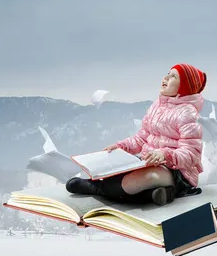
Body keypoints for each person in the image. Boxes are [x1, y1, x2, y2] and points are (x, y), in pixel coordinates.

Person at [66, 63, 207, 205]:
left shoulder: (187, 113)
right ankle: (155, 195)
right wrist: (121, 147)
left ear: (184, 88)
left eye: (173, 77)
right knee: (122, 171)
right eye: (168, 73)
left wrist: (165, 155)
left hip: (177, 172)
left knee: (144, 178)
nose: (166, 77)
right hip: (148, 161)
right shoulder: (157, 106)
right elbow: (142, 138)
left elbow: (191, 154)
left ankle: (96, 188)